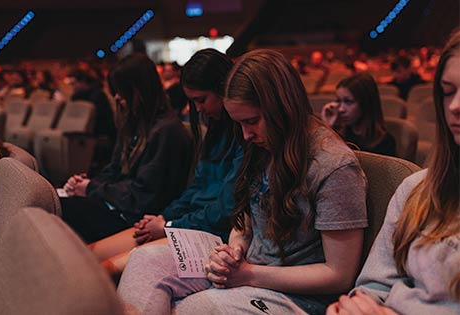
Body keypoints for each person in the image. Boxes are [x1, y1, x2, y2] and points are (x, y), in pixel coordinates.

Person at [117, 49, 368, 315]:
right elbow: (246, 222)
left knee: (192, 309)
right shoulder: (264, 145)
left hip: (295, 296)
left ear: (283, 107)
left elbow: (338, 274)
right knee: (144, 261)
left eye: (251, 121)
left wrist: (249, 274)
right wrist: (234, 250)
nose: (246, 135)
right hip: (249, 268)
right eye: (239, 124)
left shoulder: (335, 166)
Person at [327, 29, 460, 315]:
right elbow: (374, 285)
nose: (455, 106)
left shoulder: (385, 140)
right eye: (448, 92)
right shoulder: (415, 188)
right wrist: (357, 306)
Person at [89, 48, 243, 277]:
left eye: (201, 100)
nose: (198, 109)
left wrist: (170, 225)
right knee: (87, 256)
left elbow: (225, 210)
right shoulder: (216, 130)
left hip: (210, 233)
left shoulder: (244, 135)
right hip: (187, 223)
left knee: (104, 271)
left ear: (224, 90)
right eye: (193, 102)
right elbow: (196, 188)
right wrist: (165, 217)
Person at [61, 53, 193, 243]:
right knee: (52, 207)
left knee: (59, 212)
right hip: (117, 204)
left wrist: (92, 188)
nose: (117, 97)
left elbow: (143, 197)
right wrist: (86, 183)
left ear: (139, 90)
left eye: (121, 91)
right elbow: (113, 171)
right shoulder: (134, 123)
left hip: (134, 217)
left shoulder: (167, 131)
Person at [321, 73, 396, 157]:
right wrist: (328, 126)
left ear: (366, 104)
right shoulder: (341, 134)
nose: (341, 109)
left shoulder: (385, 143)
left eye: (348, 102)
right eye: (338, 101)